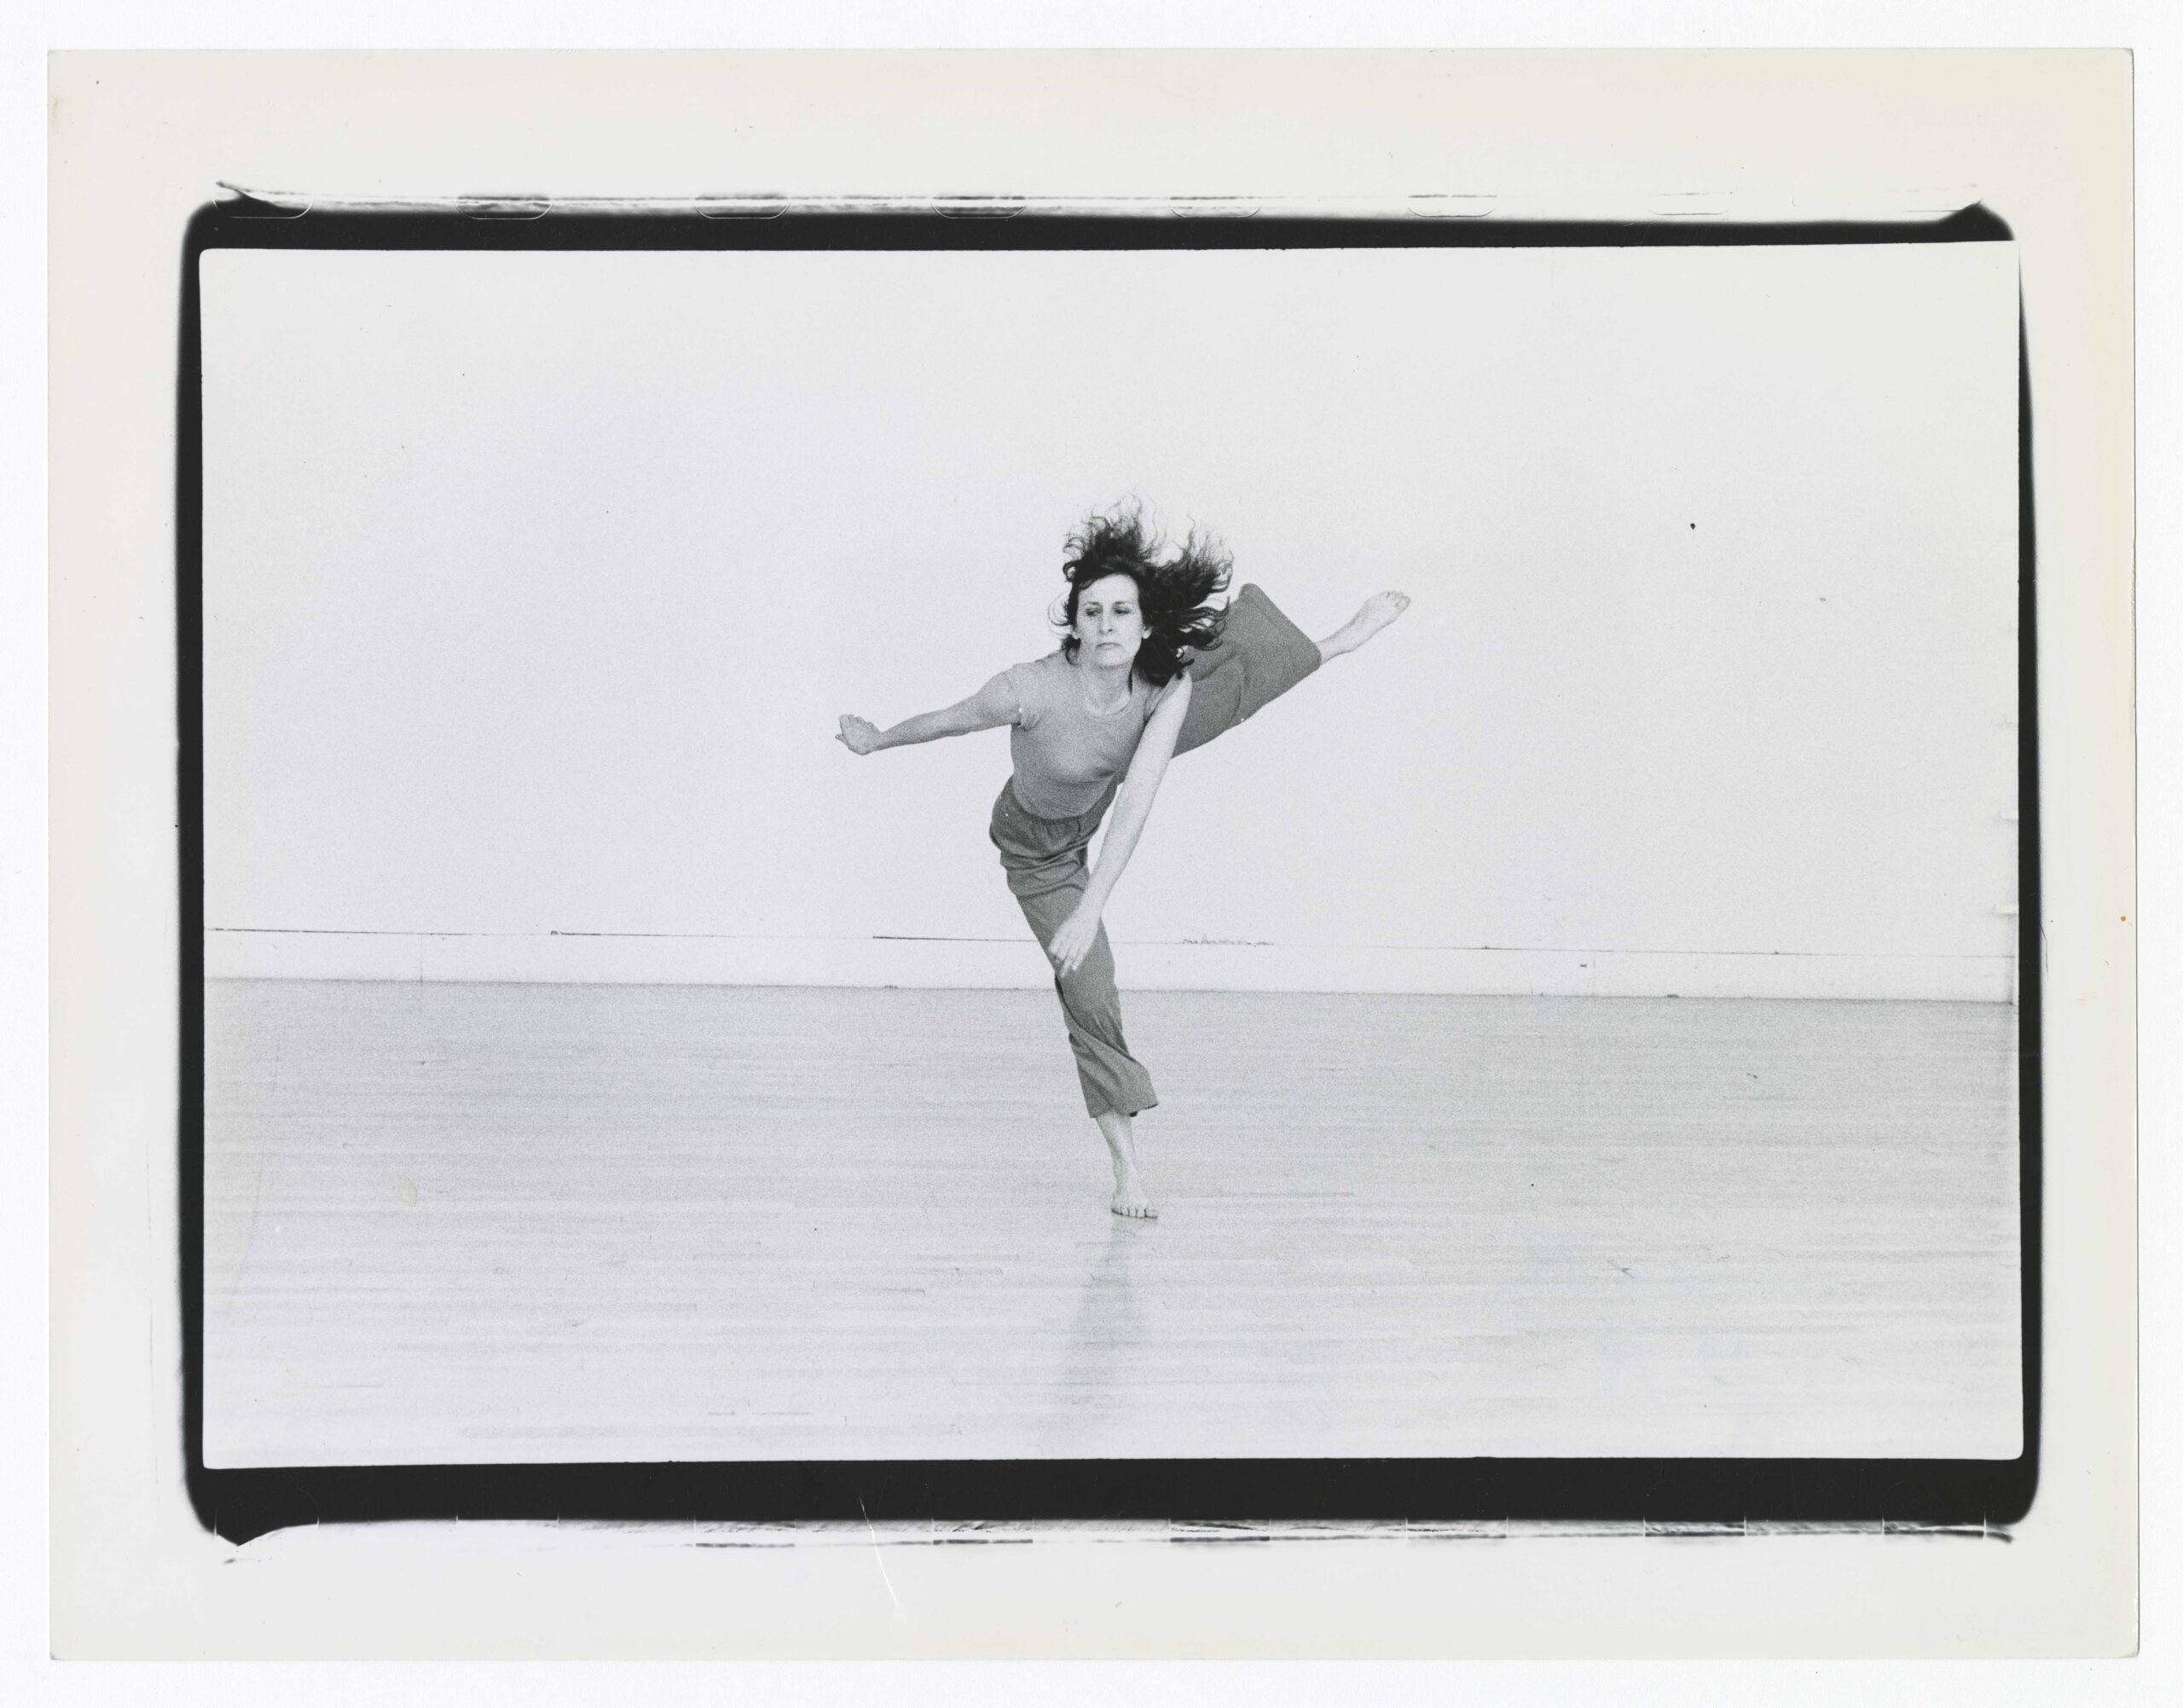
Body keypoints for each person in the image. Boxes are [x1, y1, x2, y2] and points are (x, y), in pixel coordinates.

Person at [837, 506, 1409, 1219]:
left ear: (1142, 624)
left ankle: (1342, 640)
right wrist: (878, 738)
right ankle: (1127, 1172)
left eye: (1122, 612)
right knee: (1092, 986)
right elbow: (947, 720)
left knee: (1226, 691)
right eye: (1093, 612)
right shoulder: (1027, 689)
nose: (1108, 625)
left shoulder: (1164, 683)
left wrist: (1095, 903)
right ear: (1074, 624)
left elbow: (1138, 794)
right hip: (1035, 845)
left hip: (1111, 782)